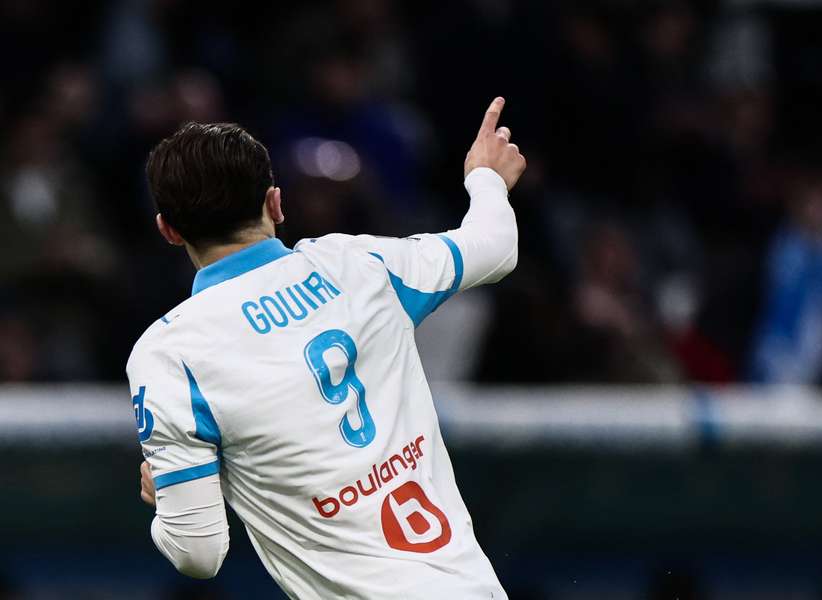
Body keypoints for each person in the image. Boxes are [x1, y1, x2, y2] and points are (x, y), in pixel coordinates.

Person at [128, 97, 525, 599]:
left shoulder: (169, 353)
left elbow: (198, 553)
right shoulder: (358, 266)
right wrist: (485, 177)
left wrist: (168, 504)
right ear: (275, 203)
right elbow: (494, 246)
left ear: (168, 229)